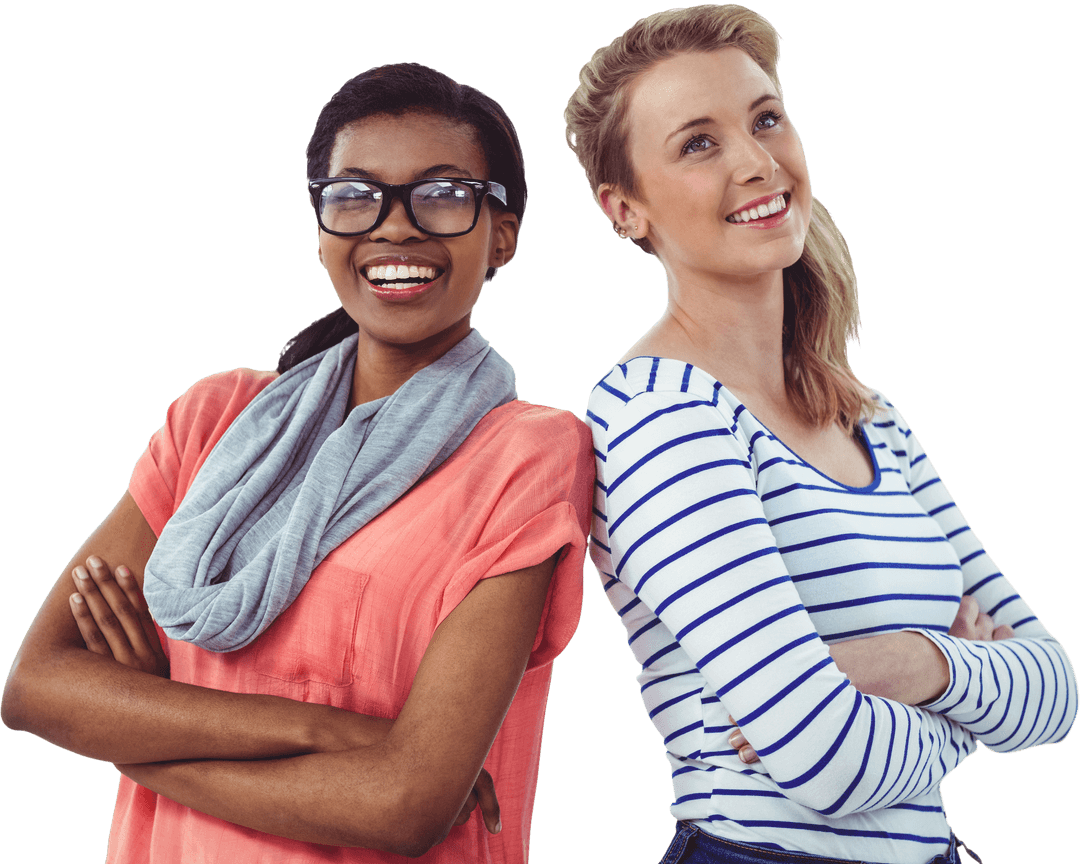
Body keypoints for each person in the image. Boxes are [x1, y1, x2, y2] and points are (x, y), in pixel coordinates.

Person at [2, 62, 594, 863]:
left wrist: (144, 719)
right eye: (355, 196)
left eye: (444, 196)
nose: (395, 227)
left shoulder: (527, 454)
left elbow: (405, 804)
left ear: (504, 237)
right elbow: (38, 688)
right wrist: (324, 731)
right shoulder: (215, 421)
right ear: (321, 227)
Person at [564, 5, 1076, 864]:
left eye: (766, 119)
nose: (760, 163)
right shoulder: (658, 414)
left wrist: (911, 665)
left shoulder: (867, 414)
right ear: (624, 209)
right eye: (698, 143)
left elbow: (1057, 690)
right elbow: (822, 759)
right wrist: (969, 701)